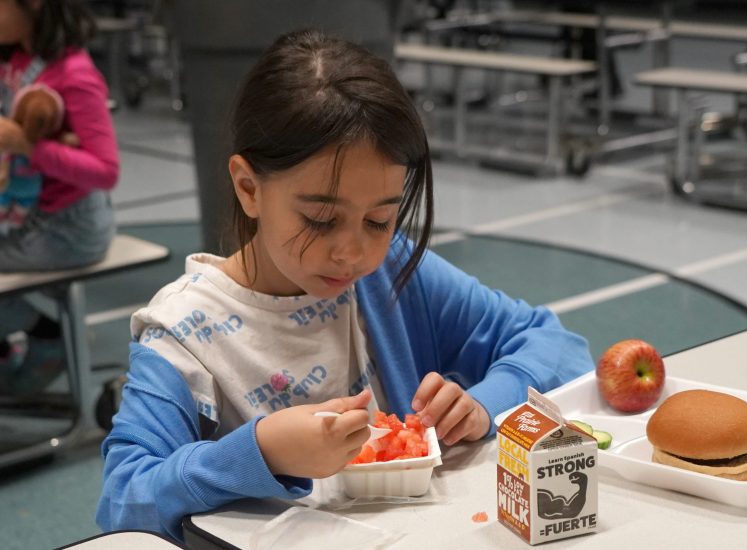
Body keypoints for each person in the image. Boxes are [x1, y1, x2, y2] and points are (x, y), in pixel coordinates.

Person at [96, 29, 594, 542]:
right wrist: (261, 451)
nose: (353, 253)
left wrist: (482, 406)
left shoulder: (390, 272)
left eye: (379, 221)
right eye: (319, 220)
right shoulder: (184, 334)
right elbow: (123, 502)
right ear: (249, 188)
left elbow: (558, 347)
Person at [0, 0, 118, 394]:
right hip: (29, 214)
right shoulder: (18, 59)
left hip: (66, 228)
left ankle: (48, 336)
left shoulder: (74, 74)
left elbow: (105, 170)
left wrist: (28, 147)